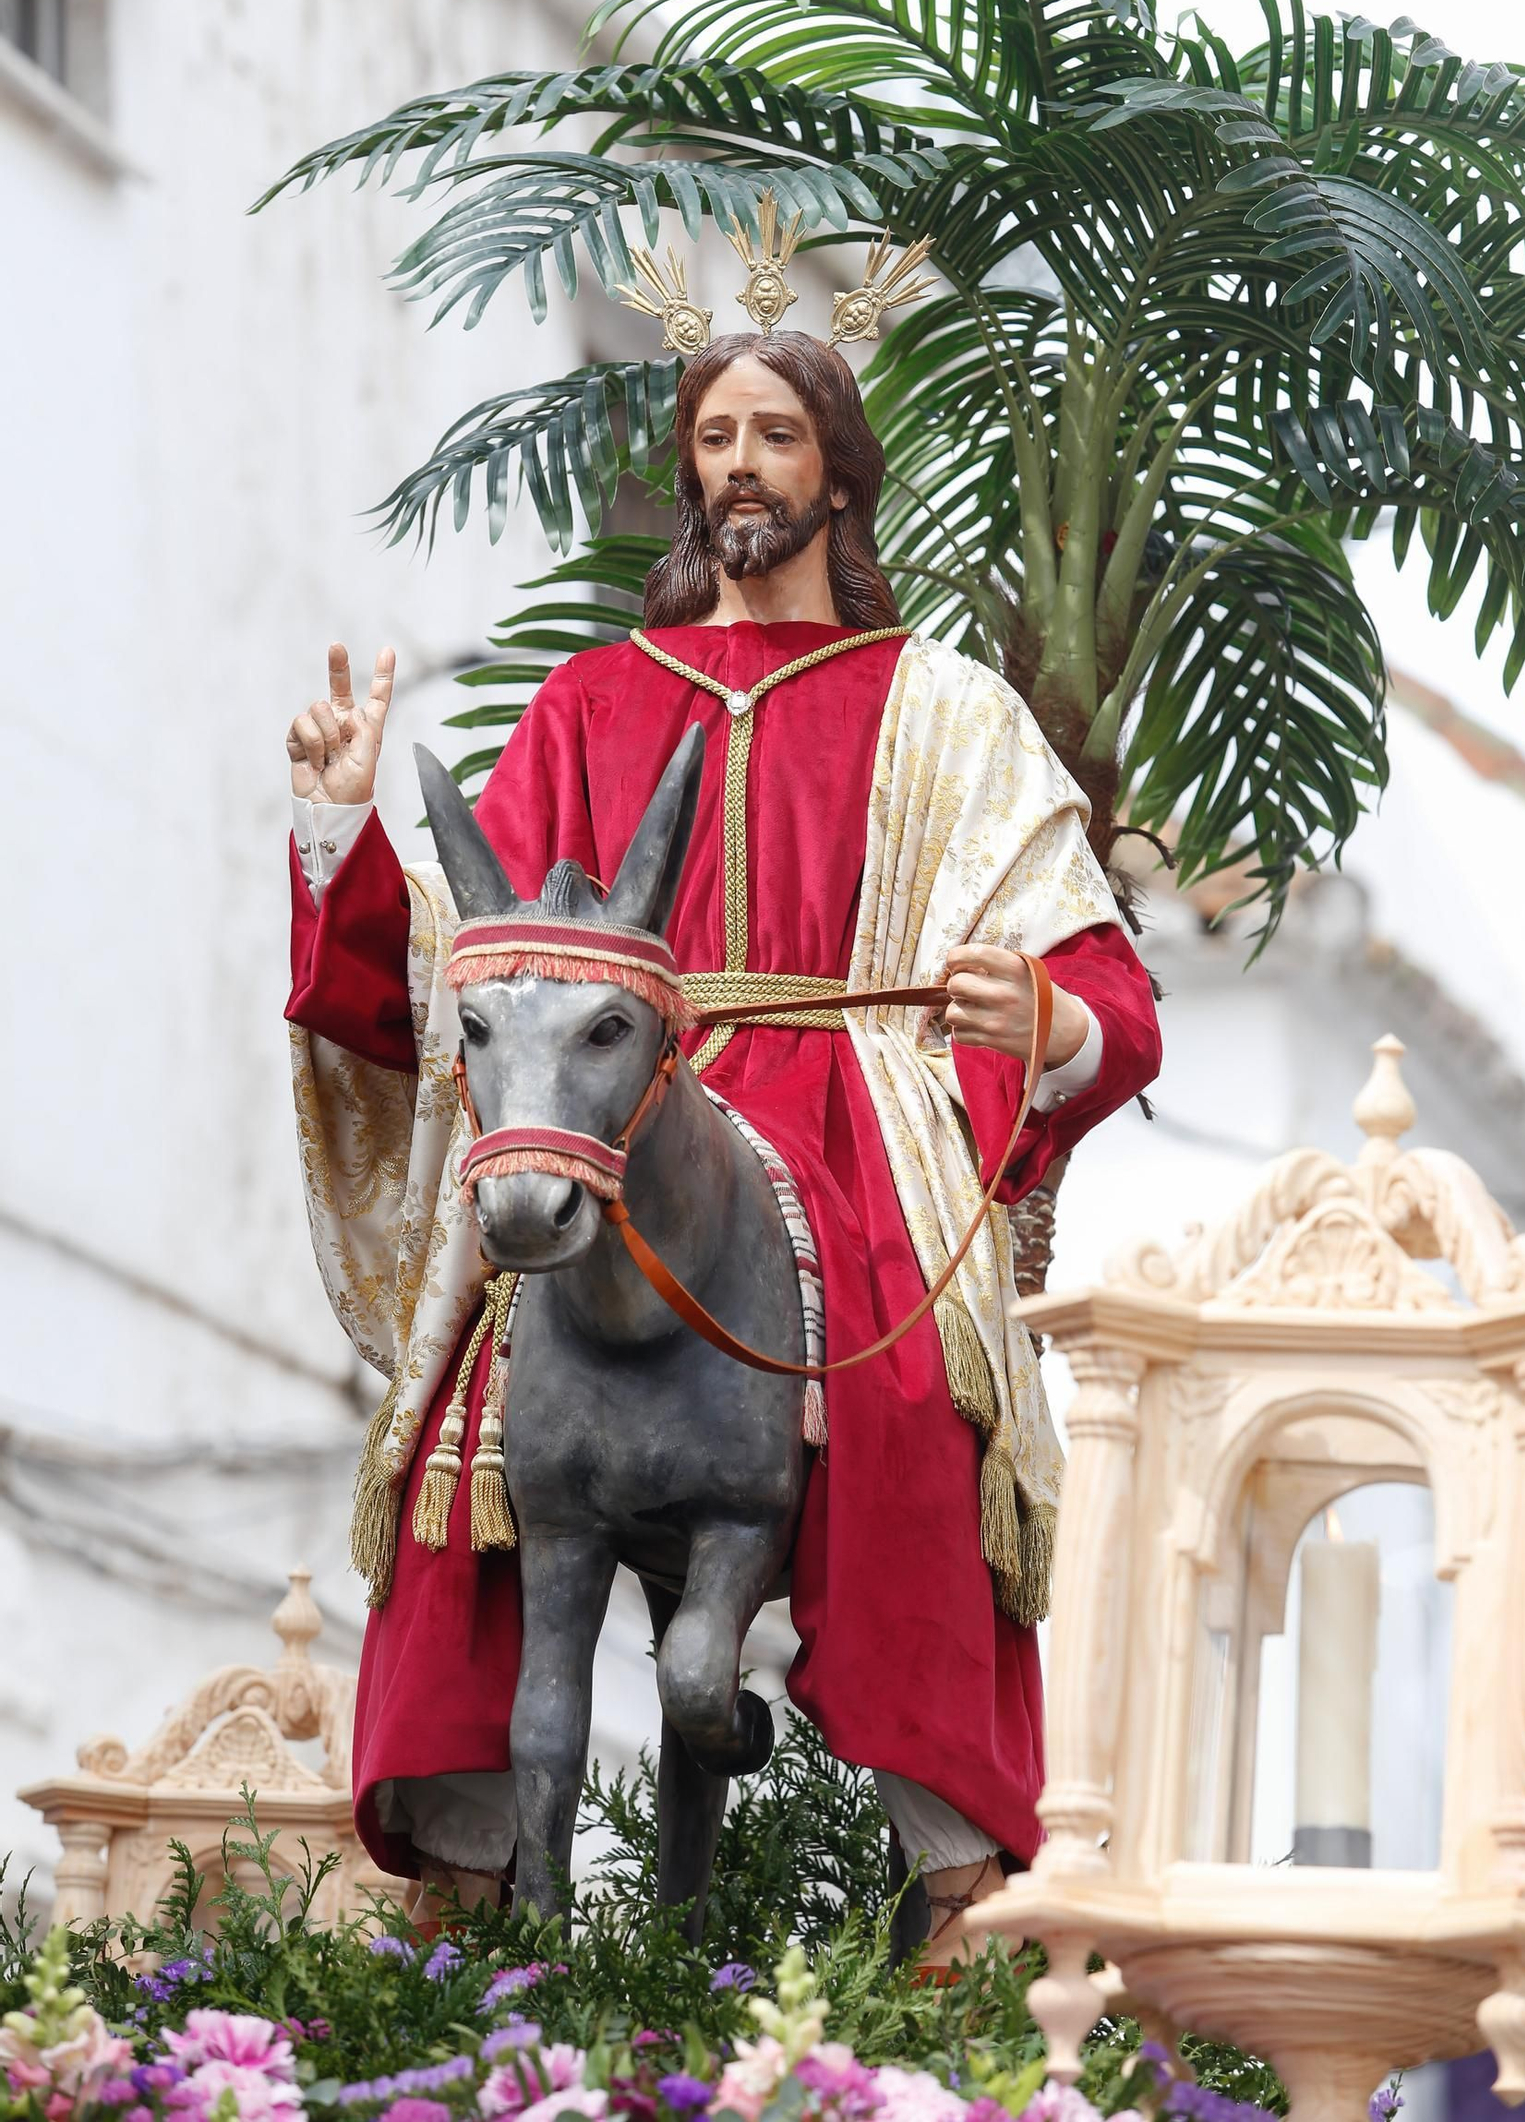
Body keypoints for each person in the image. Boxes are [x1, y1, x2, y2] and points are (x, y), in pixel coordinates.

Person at [285, 325, 1161, 1961]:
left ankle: (964, 1879)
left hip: (857, 1122)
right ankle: (473, 1880)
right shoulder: (594, 700)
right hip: (609, 1112)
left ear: (837, 466)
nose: (738, 464)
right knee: (467, 1422)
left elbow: (1099, 975)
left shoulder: (944, 711)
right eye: (712, 437)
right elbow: (476, 973)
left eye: (773, 433)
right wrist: (342, 835)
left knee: (912, 1410)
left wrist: (1037, 1016)